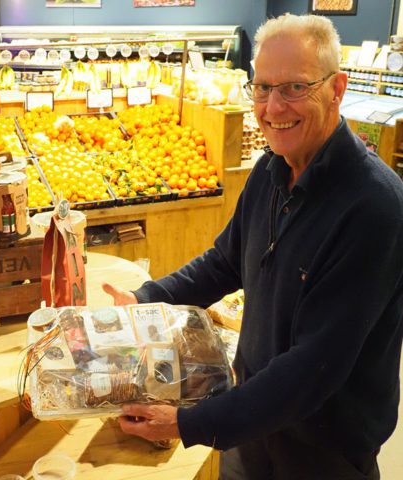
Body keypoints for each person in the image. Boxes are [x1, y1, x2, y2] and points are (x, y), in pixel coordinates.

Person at [103, 13, 403, 480]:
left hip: (324, 452)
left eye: (294, 88)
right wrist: (145, 300)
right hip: (254, 422)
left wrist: (189, 422)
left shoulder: (374, 208)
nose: (272, 107)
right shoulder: (271, 170)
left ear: (337, 88)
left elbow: (312, 370)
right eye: (262, 88)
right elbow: (226, 261)